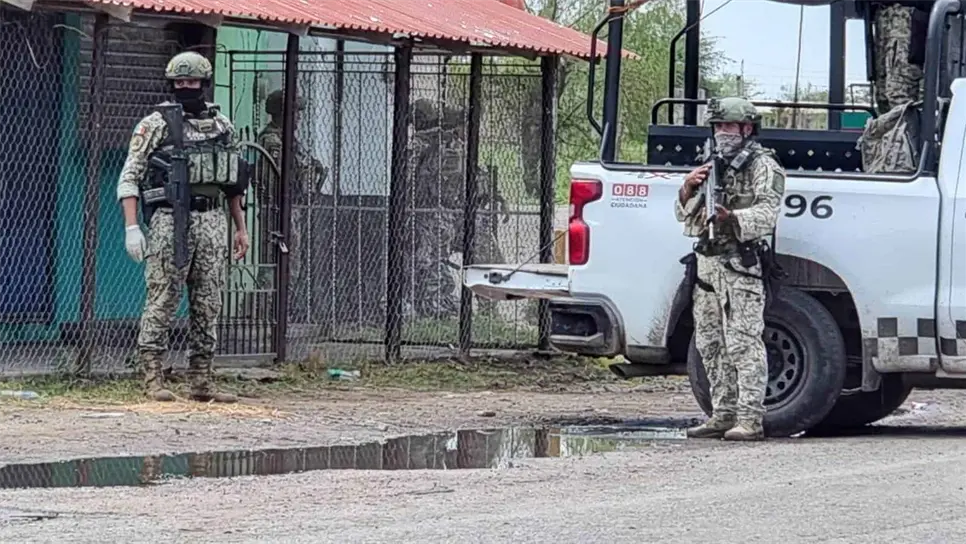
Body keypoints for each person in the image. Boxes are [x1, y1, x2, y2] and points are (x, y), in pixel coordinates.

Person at [117, 51, 250, 403]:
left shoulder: (222, 126)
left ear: (204, 84)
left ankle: (202, 381)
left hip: (211, 221)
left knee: (209, 301)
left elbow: (233, 183)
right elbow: (130, 176)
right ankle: (152, 377)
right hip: (169, 220)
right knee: (163, 297)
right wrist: (132, 227)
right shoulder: (156, 124)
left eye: (192, 82)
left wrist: (241, 228)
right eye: (179, 83)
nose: (186, 88)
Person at [675, 97, 786, 441]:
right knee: (710, 342)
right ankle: (722, 414)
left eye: (729, 126)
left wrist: (732, 218)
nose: (722, 133)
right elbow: (685, 216)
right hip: (708, 267)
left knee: (744, 343)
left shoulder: (763, 166)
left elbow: (769, 212)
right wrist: (688, 188)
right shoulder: (709, 164)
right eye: (718, 126)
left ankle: (750, 419)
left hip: (741, 265)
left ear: (747, 129)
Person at [255, 89, 329, 324]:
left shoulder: (291, 140)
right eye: (295, 112)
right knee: (274, 261)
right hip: (277, 208)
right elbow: (274, 175)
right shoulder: (272, 140)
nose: (299, 117)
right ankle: (266, 313)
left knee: (292, 262)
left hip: (294, 207)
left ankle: (282, 310)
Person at [872, 0, 924, 113]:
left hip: (905, 16)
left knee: (899, 94)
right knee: (882, 95)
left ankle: (906, 129)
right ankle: (893, 129)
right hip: (884, 16)